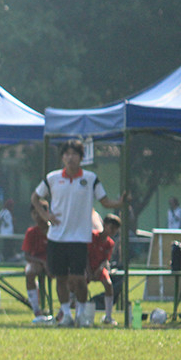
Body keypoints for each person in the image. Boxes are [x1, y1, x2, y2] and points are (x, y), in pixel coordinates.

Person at [32, 140, 128, 327]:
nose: (70, 157)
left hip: (79, 237)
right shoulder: (52, 178)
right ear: (62, 157)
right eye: (66, 154)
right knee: (60, 277)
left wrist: (120, 203)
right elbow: (35, 197)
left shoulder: (91, 178)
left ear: (81, 158)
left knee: (78, 278)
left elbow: (105, 201)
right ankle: (66, 313)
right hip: (57, 236)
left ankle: (82, 313)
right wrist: (46, 215)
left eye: (74, 154)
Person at [86, 213, 121, 326]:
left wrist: (99, 270)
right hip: (87, 267)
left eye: (115, 230)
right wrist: (89, 271)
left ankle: (108, 316)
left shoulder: (110, 243)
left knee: (109, 284)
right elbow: (86, 255)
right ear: (104, 225)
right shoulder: (92, 236)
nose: (113, 231)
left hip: (99, 269)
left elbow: (106, 260)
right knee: (80, 284)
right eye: (111, 228)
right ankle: (81, 314)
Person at [23, 200, 51, 320]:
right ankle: (36, 310)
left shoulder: (54, 230)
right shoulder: (31, 232)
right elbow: (27, 255)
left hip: (54, 261)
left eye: (40, 212)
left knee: (66, 274)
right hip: (38, 261)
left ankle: (63, 310)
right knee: (29, 272)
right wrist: (42, 262)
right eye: (34, 213)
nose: (37, 216)